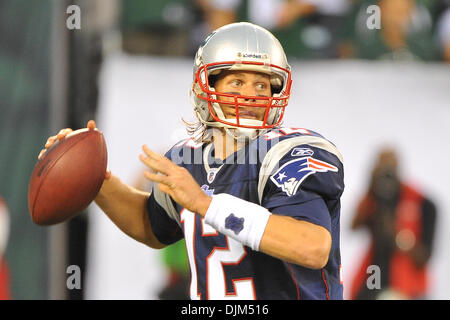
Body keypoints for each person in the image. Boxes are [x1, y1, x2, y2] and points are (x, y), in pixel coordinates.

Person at [39, 22, 344, 300]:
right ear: (207, 87)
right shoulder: (190, 159)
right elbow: (152, 226)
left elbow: (312, 247)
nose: (251, 94)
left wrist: (206, 204)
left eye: (262, 85)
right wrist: (95, 179)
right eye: (237, 82)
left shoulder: (289, 152)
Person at [349, 148, 437, 300]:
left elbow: (425, 256)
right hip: (374, 275)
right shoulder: (374, 198)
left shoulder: (422, 203)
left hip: (405, 282)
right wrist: (370, 187)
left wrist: (398, 236)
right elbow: (353, 226)